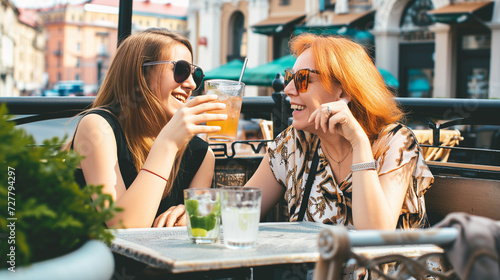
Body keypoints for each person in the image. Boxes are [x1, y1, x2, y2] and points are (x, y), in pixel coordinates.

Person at [245, 33, 434, 230]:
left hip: (393, 261)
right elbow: (238, 211)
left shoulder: (395, 142)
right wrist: (208, 151)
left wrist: (358, 141)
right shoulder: (293, 144)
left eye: (302, 79)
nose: (288, 89)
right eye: (289, 78)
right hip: (315, 260)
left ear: (343, 92)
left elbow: (374, 235)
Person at [66, 28, 227, 229]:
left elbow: (199, 232)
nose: (192, 84)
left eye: (196, 74)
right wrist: (167, 143)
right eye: (181, 70)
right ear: (141, 74)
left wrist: (192, 215)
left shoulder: (202, 154)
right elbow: (125, 229)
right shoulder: (99, 127)